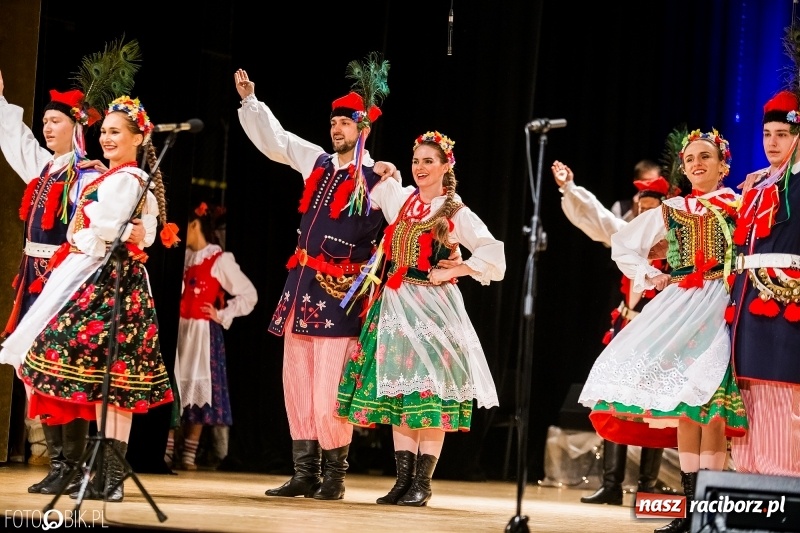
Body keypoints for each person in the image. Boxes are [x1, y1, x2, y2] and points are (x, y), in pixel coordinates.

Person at [234, 58, 403, 500]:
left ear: (362, 130)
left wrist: (397, 175)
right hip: (302, 286)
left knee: (330, 385)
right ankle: (304, 472)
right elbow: (280, 142)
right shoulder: (318, 162)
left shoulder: (377, 180)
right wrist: (251, 102)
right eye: (333, 122)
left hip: (342, 294)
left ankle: (333, 478)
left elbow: (406, 218)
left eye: (345, 123)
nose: (336, 129)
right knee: (297, 380)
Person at [1, 95, 177, 502]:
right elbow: (137, 229)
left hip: (105, 280)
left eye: (116, 132)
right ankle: (90, 470)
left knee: (110, 380)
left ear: (138, 137)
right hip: (94, 276)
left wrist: (99, 233)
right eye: (104, 132)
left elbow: (105, 233)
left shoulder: (125, 179)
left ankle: (105, 474)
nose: (107, 138)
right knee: (98, 377)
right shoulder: (112, 178)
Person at [578, 129, 748, 533]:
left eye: (705, 157)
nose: (696, 164)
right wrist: (654, 277)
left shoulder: (738, 205)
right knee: (686, 410)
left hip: (723, 303)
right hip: (682, 306)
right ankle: (691, 509)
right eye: (689, 159)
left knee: (714, 410)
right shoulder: (671, 209)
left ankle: (711, 511)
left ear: (723, 165)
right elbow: (624, 245)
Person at [336, 131, 506, 507]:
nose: (421, 167)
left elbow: (495, 256)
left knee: (429, 396)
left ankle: (423, 483)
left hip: (433, 309)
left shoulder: (454, 211)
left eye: (429, 161)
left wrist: (453, 270)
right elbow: (366, 173)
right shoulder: (406, 200)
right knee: (402, 392)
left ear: (446, 167)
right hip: (396, 306)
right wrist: (383, 164)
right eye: (416, 161)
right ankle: (402, 481)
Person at [551, 159, 671, 504]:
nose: (645, 216)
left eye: (652, 210)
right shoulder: (630, 235)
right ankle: (612, 485)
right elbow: (599, 217)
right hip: (628, 326)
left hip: (660, 332)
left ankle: (648, 487)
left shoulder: (676, 242)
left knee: (655, 407)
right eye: (641, 209)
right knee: (615, 399)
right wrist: (569, 188)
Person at [728, 89, 800, 477]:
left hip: (785, 300)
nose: (773, 142)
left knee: (779, 393)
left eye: (783, 135)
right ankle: (748, 483)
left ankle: (783, 489)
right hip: (748, 301)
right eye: (767, 134)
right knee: (747, 395)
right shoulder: (756, 187)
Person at [167, 201, 258, 470]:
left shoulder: (219, 259)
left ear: (194, 224)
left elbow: (249, 294)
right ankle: (168, 448)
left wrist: (221, 313)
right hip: (180, 329)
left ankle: (189, 454)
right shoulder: (181, 257)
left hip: (202, 333)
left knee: (198, 386)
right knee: (175, 386)